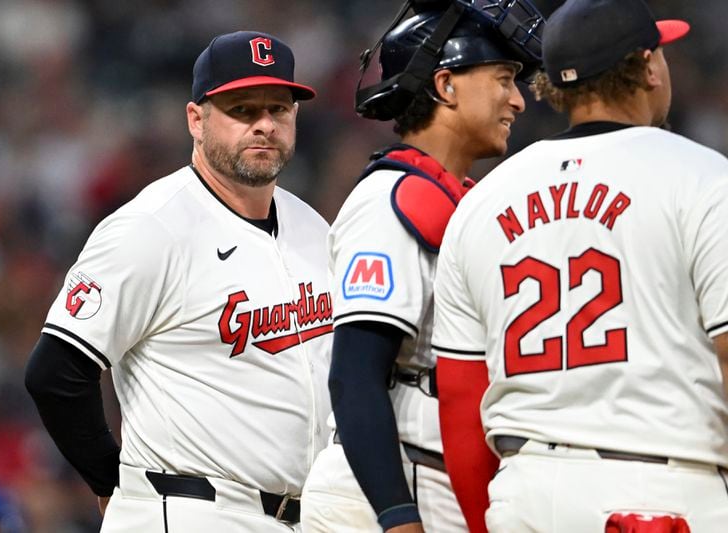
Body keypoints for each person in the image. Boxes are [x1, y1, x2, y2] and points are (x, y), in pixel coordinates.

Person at [432, 0, 728, 531]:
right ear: (648, 66)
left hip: (527, 492)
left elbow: (459, 394)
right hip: (663, 490)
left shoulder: (481, 201)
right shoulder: (704, 179)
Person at [24, 31, 333, 532]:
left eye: (278, 109)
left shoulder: (312, 228)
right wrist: (111, 482)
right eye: (241, 109)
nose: (263, 125)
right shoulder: (151, 226)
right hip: (191, 509)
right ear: (196, 119)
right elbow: (55, 373)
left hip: (304, 515)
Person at [300, 1, 544, 532]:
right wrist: (397, 515)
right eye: (503, 79)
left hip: (435, 477)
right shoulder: (391, 200)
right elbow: (355, 375)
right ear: (447, 84)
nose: (517, 101)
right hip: (389, 484)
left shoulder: (451, 197)